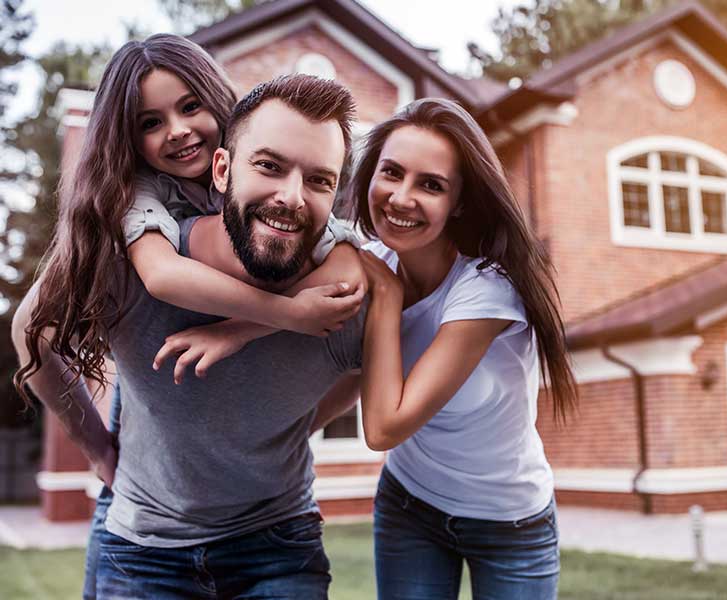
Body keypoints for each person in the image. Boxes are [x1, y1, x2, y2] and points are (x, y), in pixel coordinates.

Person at [12, 74, 364, 599]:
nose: (291, 196)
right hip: (143, 543)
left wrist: (294, 425)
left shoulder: (338, 284)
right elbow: (34, 330)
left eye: (319, 180)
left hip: (278, 540)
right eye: (268, 166)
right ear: (224, 168)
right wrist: (97, 449)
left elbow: (365, 362)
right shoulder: (130, 235)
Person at [351, 98, 577, 599]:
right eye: (392, 172)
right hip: (410, 505)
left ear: (458, 202)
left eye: (430, 185)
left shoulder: (487, 288)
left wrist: (386, 294)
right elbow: (319, 342)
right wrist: (233, 333)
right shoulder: (368, 259)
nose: (401, 198)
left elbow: (384, 426)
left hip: (509, 524)